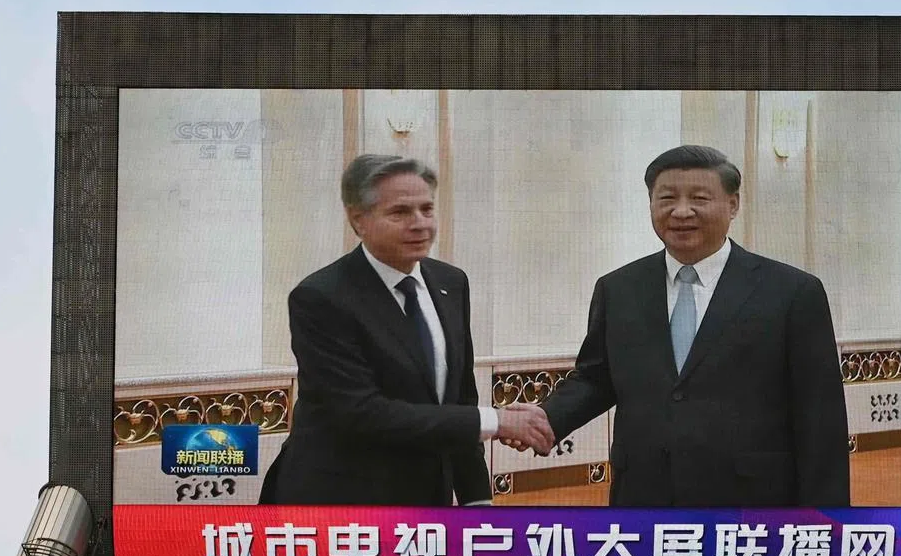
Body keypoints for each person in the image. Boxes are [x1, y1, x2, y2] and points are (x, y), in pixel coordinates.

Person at [540, 145, 850, 508]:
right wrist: (547, 418)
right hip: (643, 500)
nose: (681, 211)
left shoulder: (792, 292)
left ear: (733, 205)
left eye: (699, 198)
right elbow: (596, 377)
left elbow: (820, 419)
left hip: (752, 505)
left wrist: (827, 524)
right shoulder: (618, 289)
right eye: (666, 198)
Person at [260, 154, 551, 506]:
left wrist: (477, 501)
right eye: (400, 213)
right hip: (340, 506)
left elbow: (459, 400)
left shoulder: (450, 283)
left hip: (427, 505)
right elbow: (363, 412)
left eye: (427, 210)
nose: (420, 224)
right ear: (358, 220)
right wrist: (496, 421)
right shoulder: (322, 297)